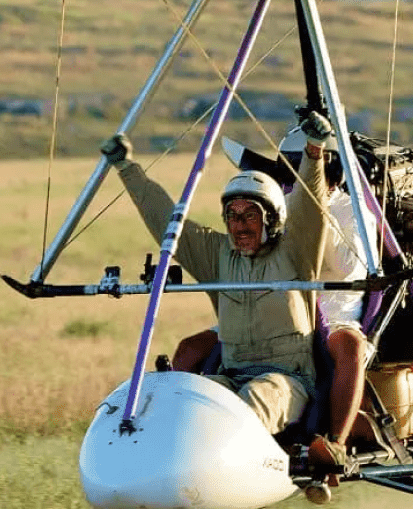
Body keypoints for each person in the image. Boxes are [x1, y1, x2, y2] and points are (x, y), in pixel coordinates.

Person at [99, 110, 331, 438]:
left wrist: (313, 153)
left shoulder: (296, 251)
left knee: (253, 400)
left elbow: (309, 208)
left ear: (274, 219)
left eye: (251, 215)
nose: (239, 225)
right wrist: (126, 168)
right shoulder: (217, 254)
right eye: (232, 216)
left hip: (287, 382)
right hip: (231, 375)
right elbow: (166, 220)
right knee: (189, 403)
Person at [172, 127, 377, 474]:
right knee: (191, 347)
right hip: (271, 300)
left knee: (349, 349)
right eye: (287, 171)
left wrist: (311, 223)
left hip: (332, 305)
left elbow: (346, 267)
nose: (291, 180)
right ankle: (174, 426)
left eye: (300, 170)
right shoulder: (280, 201)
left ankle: (336, 445)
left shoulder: (350, 211)